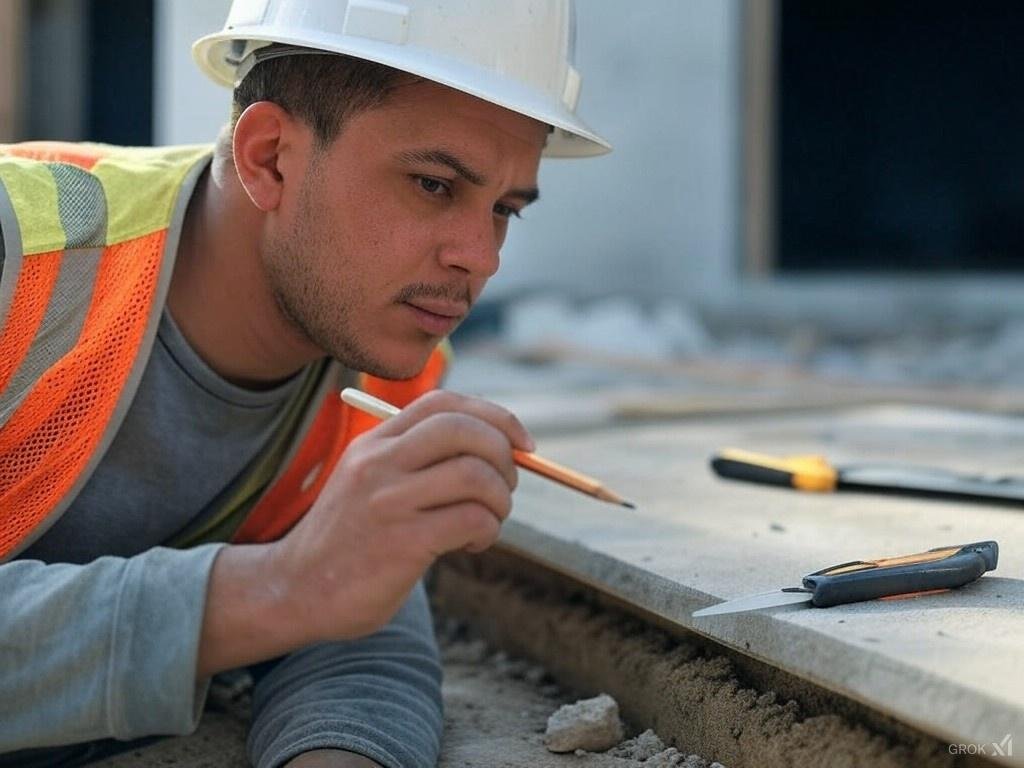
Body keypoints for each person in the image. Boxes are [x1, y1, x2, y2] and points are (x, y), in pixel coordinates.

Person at [0, 1, 609, 766]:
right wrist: (279, 588)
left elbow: (355, 647)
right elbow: (309, 591)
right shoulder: (22, 254)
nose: (480, 257)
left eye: (504, 210)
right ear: (270, 158)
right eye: (432, 185)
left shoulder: (387, 373)